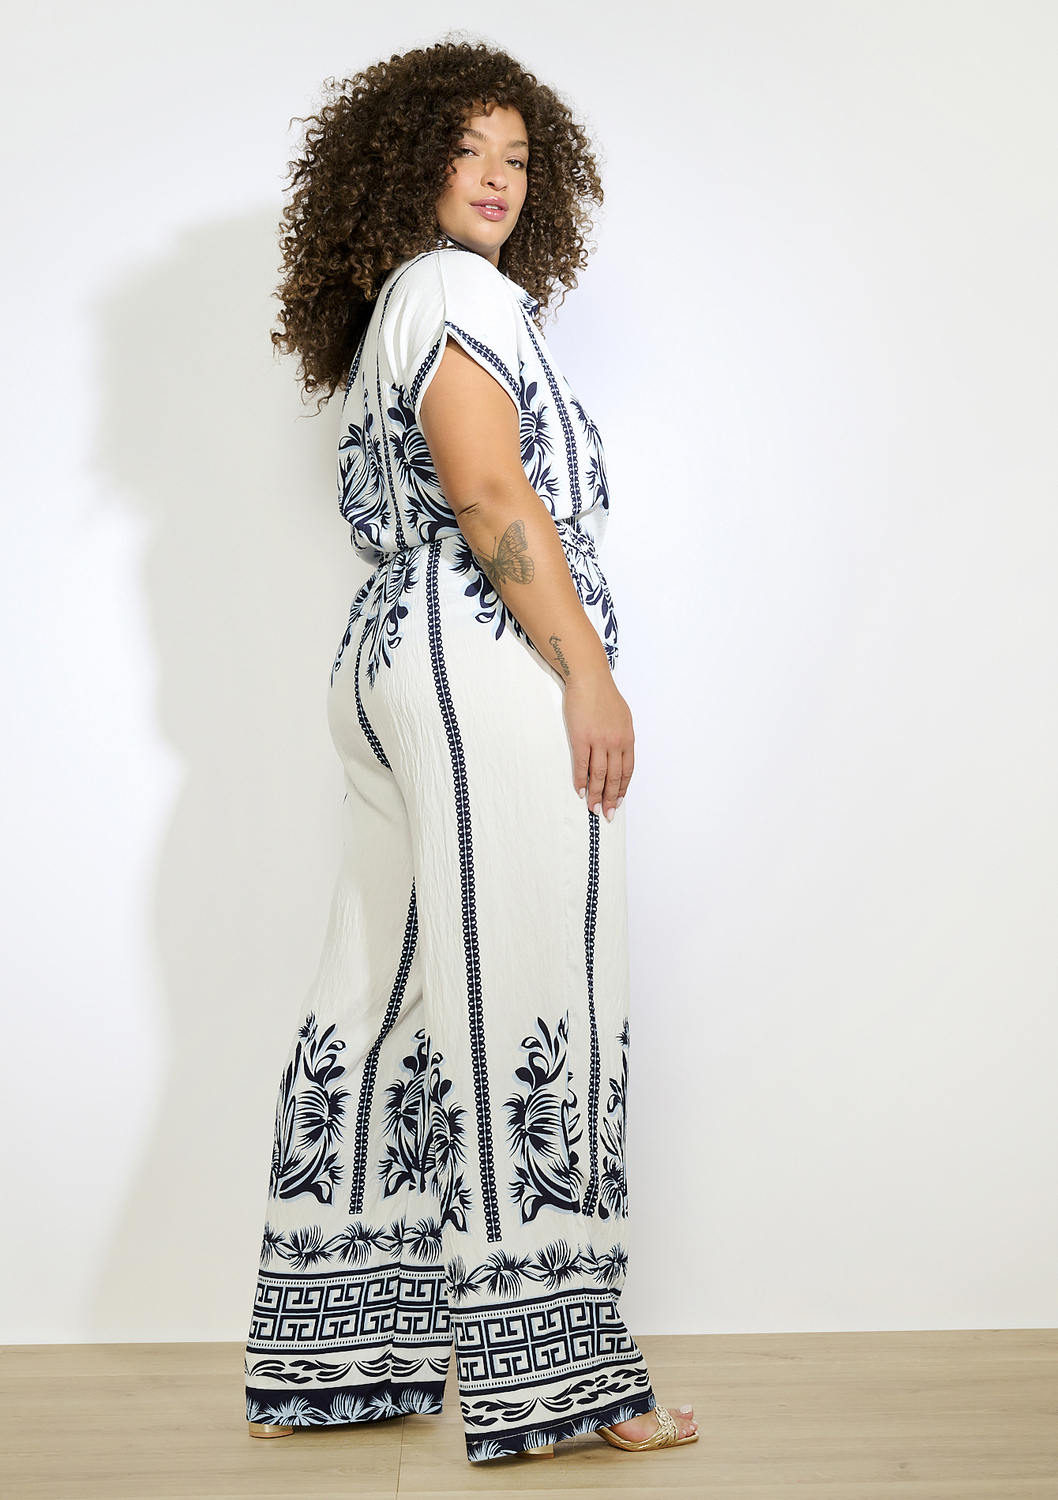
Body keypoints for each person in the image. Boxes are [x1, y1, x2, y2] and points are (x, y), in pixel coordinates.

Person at [243, 39, 698, 1462]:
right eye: (469, 151)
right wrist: (586, 672)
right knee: (537, 976)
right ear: (410, 166)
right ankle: (561, 1382)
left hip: (387, 652)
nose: (498, 179)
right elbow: (489, 486)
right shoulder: (457, 293)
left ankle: (339, 1350)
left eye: (518, 158)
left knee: (381, 987)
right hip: (479, 654)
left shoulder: (405, 300)